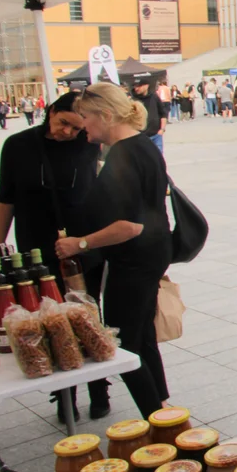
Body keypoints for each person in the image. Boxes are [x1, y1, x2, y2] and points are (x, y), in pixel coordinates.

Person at [59, 83, 173, 418]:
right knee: (143, 338)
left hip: (134, 261)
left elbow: (130, 226)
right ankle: (164, 411)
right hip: (150, 255)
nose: (83, 127)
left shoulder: (124, 154)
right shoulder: (144, 145)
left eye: (85, 118)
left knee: (124, 347)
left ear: (106, 115)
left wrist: (79, 244)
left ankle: (159, 419)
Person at [0, 91, 110, 421]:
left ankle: (98, 386)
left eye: (77, 127)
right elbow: (6, 198)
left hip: (81, 246)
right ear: (50, 113)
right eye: (64, 124)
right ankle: (64, 395)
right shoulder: (18, 146)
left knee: (87, 317)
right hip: (37, 249)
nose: (69, 133)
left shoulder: (89, 142)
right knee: (49, 321)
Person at [130, 81, 168, 155]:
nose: (136, 88)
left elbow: (163, 113)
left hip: (156, 135)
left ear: (146, 86)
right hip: (140, 137)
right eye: (135, 86)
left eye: (139, 86)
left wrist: (162, 129)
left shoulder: (154, 97)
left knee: (158, 158)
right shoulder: (133, 100)